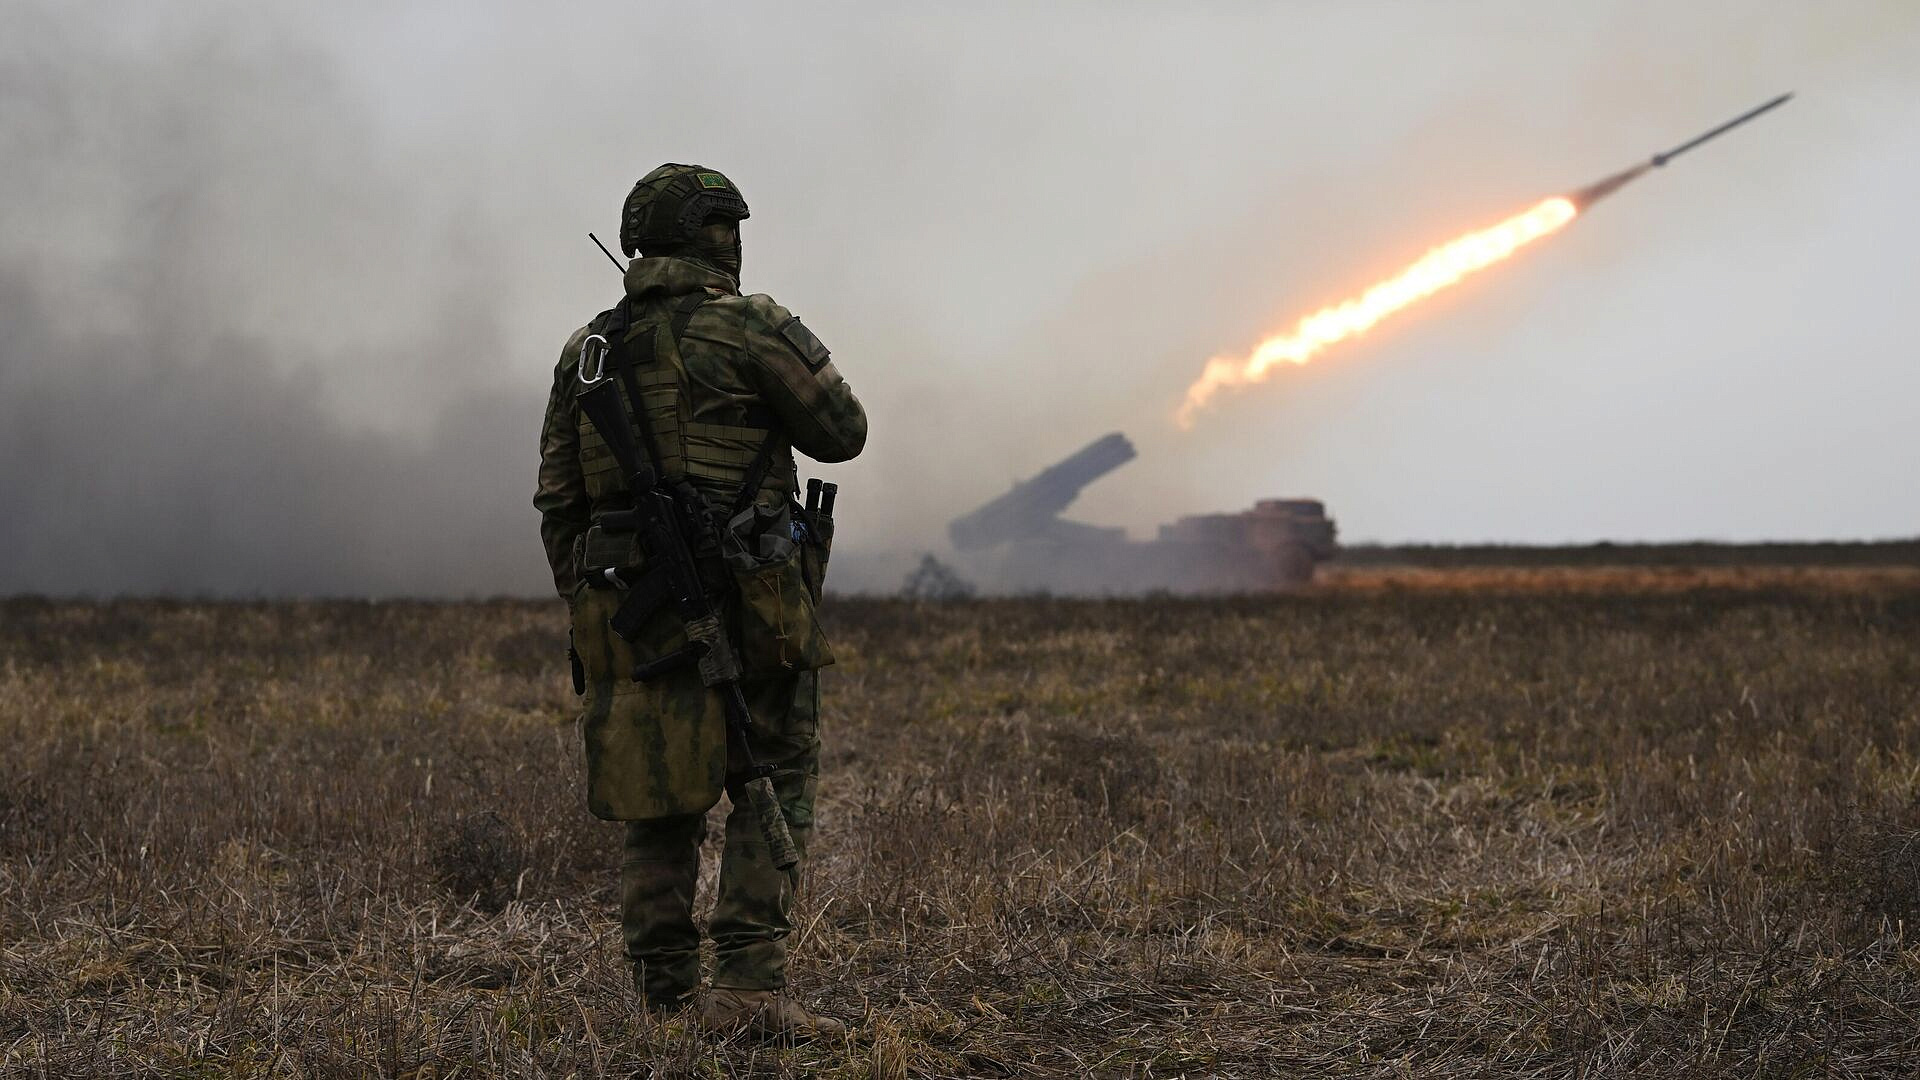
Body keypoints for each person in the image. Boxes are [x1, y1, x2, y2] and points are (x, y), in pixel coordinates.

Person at [533, 163, 867, 1039]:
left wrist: (595, 602)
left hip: (628, 615)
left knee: (658, 798)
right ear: (721, 235)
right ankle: (751, 991)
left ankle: (665, 1000)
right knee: (770, 780)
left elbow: (559, 502)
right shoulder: (751, 327)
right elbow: (845, 433)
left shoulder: (588, 351)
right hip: (755, 606)